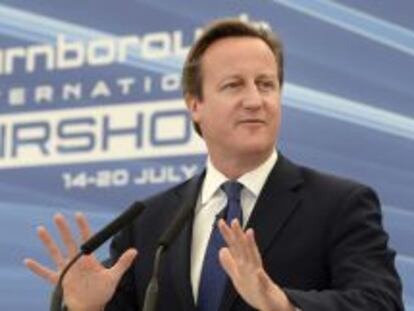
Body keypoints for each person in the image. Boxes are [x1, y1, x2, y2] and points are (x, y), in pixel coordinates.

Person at [24, 18, 404, 311]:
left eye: (266, 84)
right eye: (234, 85)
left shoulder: (340, 204)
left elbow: (381, 302)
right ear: (195, 105)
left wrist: (283, 304)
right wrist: (89, 308)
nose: (255, 100)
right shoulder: (149, 222)